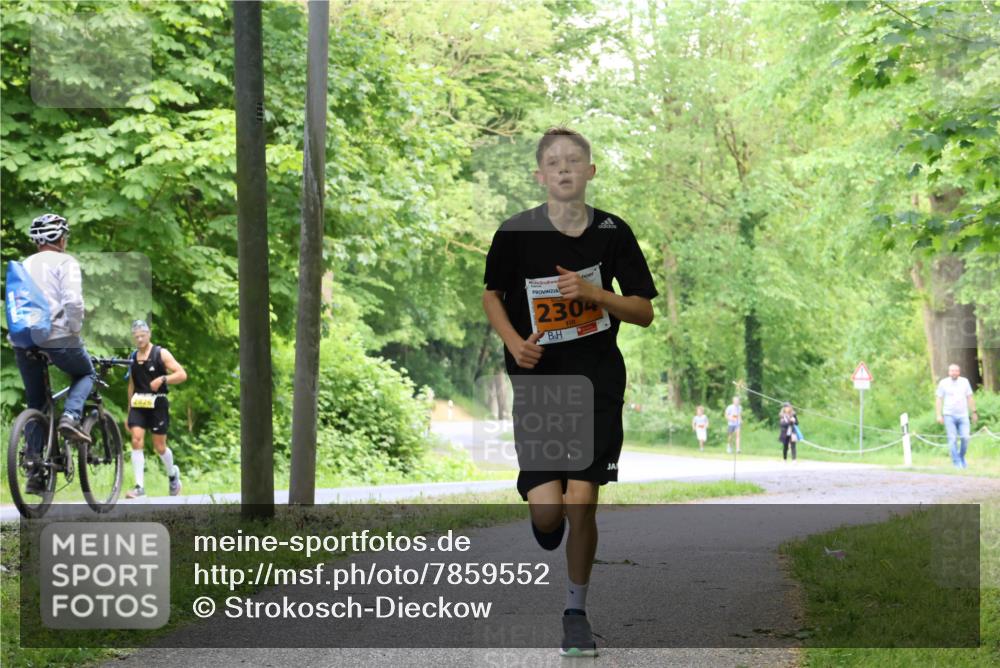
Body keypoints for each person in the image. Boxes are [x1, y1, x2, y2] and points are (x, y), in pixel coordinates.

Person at [482, 127, 658, 656]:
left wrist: (593, 293)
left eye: (574, 161)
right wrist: (515, 343)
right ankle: (544, 517)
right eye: (553, 162)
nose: (564, 169)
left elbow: (644, 311)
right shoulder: (515, 233)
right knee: (548, 513)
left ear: (590, 172)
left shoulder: (613, 233)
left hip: (597, 379)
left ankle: (575, 613)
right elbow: (492, 296)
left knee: (582, 503)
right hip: (539, 382)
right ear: (540, 175)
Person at [10, 213, 95, 494]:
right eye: (65, 236)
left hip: (23, 341)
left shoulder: (23, 265)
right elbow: (73, 300)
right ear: (59, 238)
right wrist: (74, 328)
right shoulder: (65, 262)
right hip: (57, 336)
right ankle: (70, 417)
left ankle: (35, 470)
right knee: (85, 372)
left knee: (36, 403)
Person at [124, 319, 188, 497]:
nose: (139, 339)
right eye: (136, 336)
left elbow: (182, 374)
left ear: (149, 334)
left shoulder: (161, 353)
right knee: (136, 440)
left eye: (142, 335)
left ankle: (173, 475)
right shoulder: (132, 357)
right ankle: (139, 487)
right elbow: (131, 384)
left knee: (159, 446)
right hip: (138, 404)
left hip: (158, 403)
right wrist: (129, 411)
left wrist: (163, 379)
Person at [935, 363, 978, 469]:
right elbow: (939, 399)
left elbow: (970, 397)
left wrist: (974, 412)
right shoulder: (943, 383)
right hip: (949, 415)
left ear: (959, 372)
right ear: (948, 372)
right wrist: (939, 415)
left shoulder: (964, 382)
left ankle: (961, 457)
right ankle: (956, 462)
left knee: (966, 437)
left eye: (956, 371)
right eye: (951, 371)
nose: (954, 373)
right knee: (952, 438)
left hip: (963, 415)